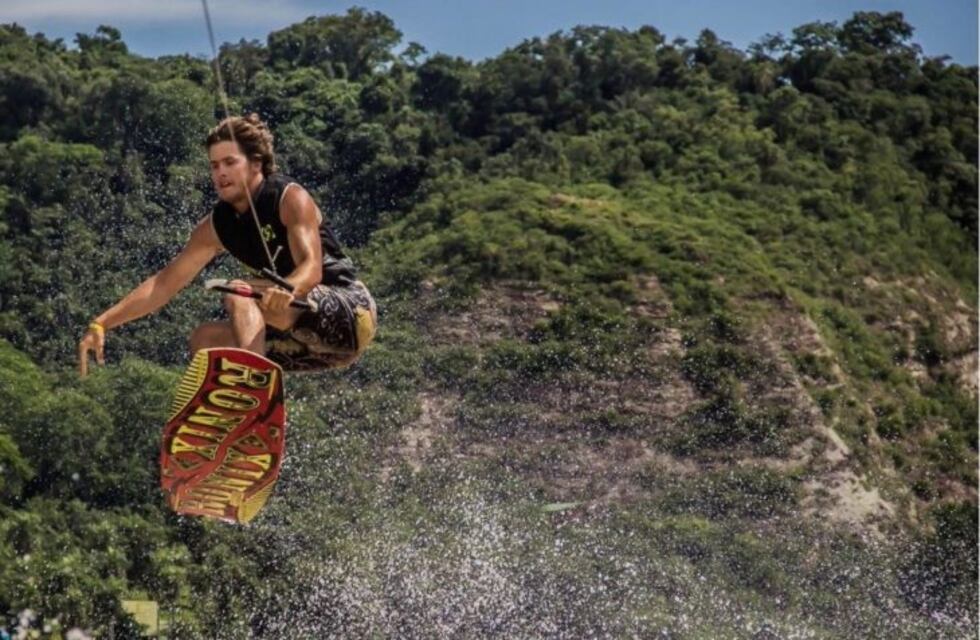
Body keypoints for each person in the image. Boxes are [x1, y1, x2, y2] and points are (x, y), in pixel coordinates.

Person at [78, 114, 376, 375]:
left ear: (256, 163)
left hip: (350, 313)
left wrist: (287, 289)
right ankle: (235, 425)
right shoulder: (217, 226)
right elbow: (164, 284)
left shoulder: (288, 198)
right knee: (205, 342)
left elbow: (311, 269)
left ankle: (252, 392)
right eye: (214, 165)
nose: (220, 172)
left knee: (238, 292)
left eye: (230, 162)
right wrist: (102, 323)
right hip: (313, 348)